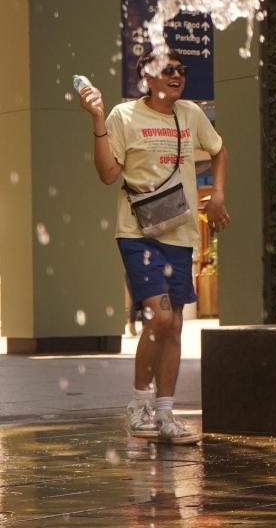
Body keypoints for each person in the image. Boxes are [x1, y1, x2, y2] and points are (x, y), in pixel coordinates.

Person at [78, 50, 230, 445]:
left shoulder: (191, 114)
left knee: (175, 324)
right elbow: (107, 174)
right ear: (148, 77)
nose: (177, 75)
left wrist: (217, 196)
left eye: (181, 70)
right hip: (138, 233)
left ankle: (165, 414)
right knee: (160, 319)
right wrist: (97, 119)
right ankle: (138, 405)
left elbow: (218, 150)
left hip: (180, 234)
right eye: (167, 70)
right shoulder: (123, 116)